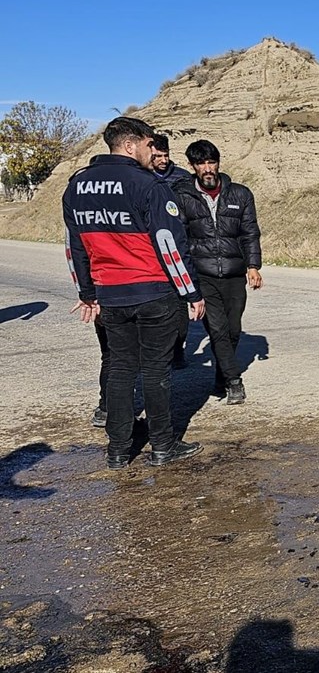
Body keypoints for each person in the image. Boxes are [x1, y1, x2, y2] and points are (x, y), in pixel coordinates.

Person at [63, 116, 205, 469]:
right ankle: (162, 446)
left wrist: (87, 292)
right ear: (130, 145)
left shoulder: (76, 187)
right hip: (154, 291)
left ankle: (117, 450)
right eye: (147, 144)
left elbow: (75, 247)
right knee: (156, 372)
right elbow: (169, 243)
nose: (151, 150)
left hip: (110, 295)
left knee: (121, 370)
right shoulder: (149, 185)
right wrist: (191, 293)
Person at [171, 140, 263, 405]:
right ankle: (234, 382)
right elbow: (179, 237)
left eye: (212, 162)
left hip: (234, 275)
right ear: (192, 166)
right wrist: (186, 277)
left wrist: (253, 266)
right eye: (201, 164)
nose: (208, 168)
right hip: (203, 275)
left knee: (233, 330)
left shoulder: (241, 194)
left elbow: (250, 233)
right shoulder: (182, 195)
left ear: (219, 163)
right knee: (218, 331)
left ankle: (220, 378)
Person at [149, 133, 192, 368]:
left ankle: (178, 347)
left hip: (179, 244)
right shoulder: (142, 178)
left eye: (166, 155)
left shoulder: (182, 177)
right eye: (158, 156)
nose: (163, 160)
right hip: (150, 250)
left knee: (179, 302)